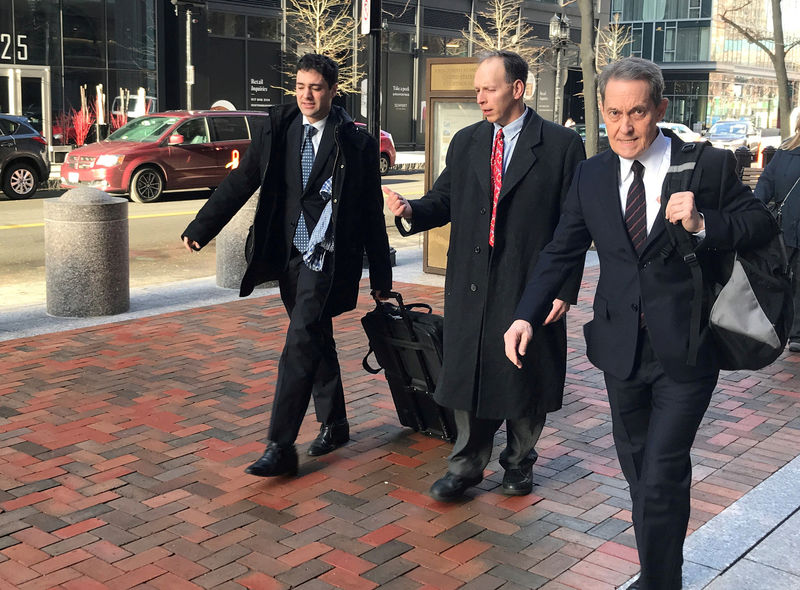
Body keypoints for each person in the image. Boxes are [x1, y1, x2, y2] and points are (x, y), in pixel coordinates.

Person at [503, 57, 775, 590]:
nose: (625, 128)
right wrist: (525, 313)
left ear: (661, 110)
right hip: (620, 350)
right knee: (640, 475)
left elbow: (760, 221)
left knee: (661, 471)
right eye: (613, 114)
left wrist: (703, 224)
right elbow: (562, 250)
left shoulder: (706, 166)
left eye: (638, 113)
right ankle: (659, 569)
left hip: (688, 348)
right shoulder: (592, 173)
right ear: (601, 113)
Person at [383, 50, 585, 502]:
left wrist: (564, 289)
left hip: (530, 280)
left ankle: (518, 462)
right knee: (471, 374)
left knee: (525, 373)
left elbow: (575, 223)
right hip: (472, 281)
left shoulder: (560, 146)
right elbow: (445, 199)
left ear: (518, 88)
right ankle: (465, 467)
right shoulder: (468, 141)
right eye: (477, 89)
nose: (480, 97)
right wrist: (412, 211)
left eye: (489, 89)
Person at [182, 54, 392, 477]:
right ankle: (335, 423)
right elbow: (244, 179)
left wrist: (381, 278)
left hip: (328, 258)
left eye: (315, 87)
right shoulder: (279, 127)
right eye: (299, 87)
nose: (306, 95)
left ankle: (280, 446)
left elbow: (371, 211)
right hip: (288, 255)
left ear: (333, 91)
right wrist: (203, 226)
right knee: (315, 337)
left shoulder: (356, 143)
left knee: (299, 342)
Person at [754, 117, 800, 351]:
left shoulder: (783, 154)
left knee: (788, 279)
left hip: (784, 230)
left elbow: (764, 185)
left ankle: (788, 329)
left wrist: (755, 212)